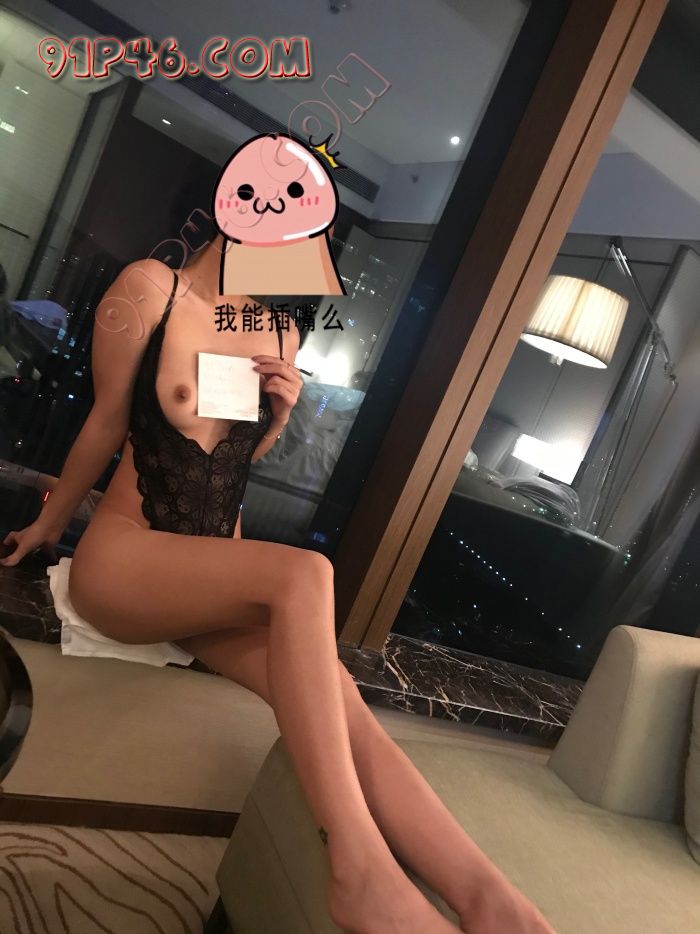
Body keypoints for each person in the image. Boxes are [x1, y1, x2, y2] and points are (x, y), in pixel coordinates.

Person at [0, 233, 555, 934]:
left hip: (205, 575)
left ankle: (487, 896)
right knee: (306, 572)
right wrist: (49, 524)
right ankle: (359, 869)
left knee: (340, 694)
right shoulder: (152, 289)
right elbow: (106, 421)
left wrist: (280, 416)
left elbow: (231, 458)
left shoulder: (279, 331)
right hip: (128, 558)